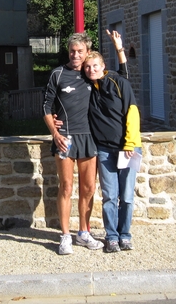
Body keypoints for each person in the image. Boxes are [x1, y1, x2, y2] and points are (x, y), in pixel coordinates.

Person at [43, 31, 127, 255]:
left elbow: (122, 77)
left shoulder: (93, 74)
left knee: (88, 188)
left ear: (87, 52)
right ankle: (65, 236)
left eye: (80, 51)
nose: (76, 55)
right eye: (72, 51)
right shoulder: (58, 74)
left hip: (90, 138)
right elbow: (46, 107)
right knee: (66, 187)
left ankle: (83, 232)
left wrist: (119, 48)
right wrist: (55, 133)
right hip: (65, 138)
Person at [82, 50, 141, 253]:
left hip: (127, 148)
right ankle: (112, 237)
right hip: (104, 150)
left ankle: (125, 235)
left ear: (103, 66)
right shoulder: (87, 88)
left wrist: (130, 143)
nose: (91, 70)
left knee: (127, 196)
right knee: (109, 196)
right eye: (87, 67)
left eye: (95, 66)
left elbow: (132, 112)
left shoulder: (118, 82)